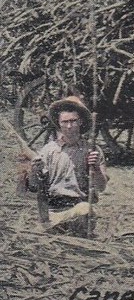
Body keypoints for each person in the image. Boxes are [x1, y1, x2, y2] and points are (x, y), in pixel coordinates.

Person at [27, 96, 108, 236]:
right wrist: (34, 171)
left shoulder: (92, 150)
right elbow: (33, 187)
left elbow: (101, 187)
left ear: (80, 122)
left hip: (78, 207)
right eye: (65, 122)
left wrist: (95, 168)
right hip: (53, 211)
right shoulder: (49, 150)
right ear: (59, 124)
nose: (69, 126)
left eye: (73, 121)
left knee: (85, 209)